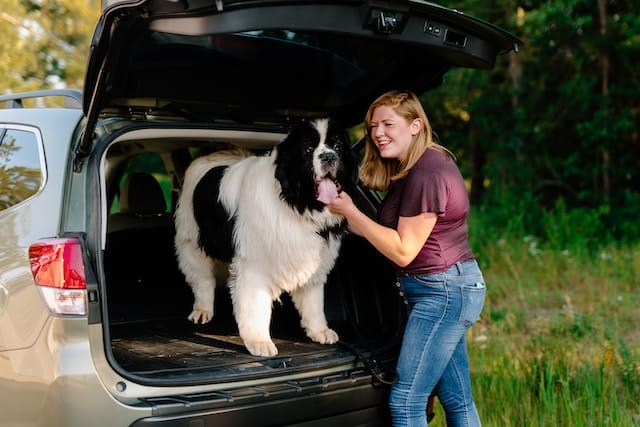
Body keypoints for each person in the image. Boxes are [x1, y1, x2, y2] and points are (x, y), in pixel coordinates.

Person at [328, 90, 486, 426]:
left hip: (442, 294)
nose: (378, 133)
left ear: (415, 125)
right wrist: (337, 221)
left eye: (388, 124)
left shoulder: (428, 172)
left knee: (406, 403)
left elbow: (403, 249)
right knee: (458, 399)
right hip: (446, 288)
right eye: (372, 127)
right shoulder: (415, 167)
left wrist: (352, 211)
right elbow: (386, 233)